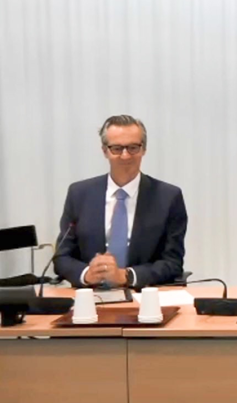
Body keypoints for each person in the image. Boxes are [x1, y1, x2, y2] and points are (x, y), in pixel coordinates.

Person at [54, 115, 188, 289]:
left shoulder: (168, 197)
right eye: (116, 148)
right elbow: (62, 258)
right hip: (90, 296)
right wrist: (87, 274)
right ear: (105, 151)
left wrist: (126, 276)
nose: (125, 156)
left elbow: (173, 262)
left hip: (143, 296)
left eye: (133, 147)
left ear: (144, 149)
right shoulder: (79, 194)